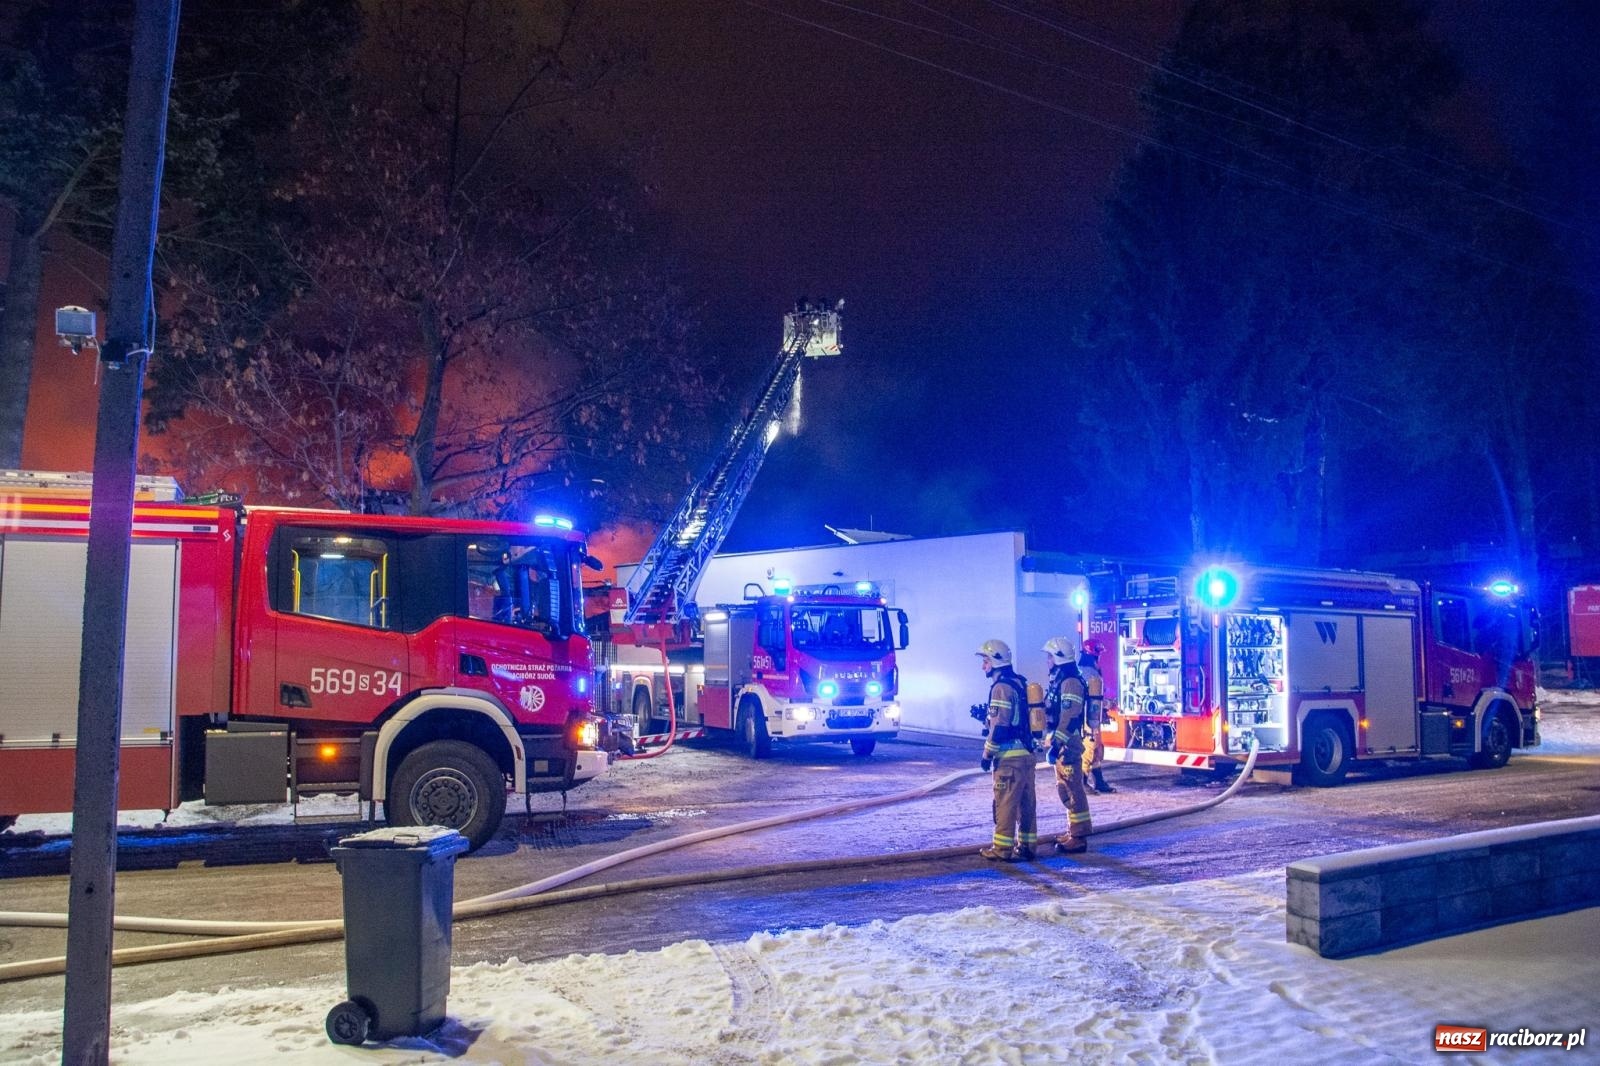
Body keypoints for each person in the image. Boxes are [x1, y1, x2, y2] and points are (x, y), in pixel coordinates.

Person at [975, 639, 1038, 862]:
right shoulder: (1020, 682)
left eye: (985, 661)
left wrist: (987, 754)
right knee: (1027, 804)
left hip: (1009, 759)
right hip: (1027, 755)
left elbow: (1000, 726)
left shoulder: (1000, 688)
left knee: (1005, 804)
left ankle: (1002, 849)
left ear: (995, 662)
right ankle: (1028, 846)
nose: (983, 666)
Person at [1042, 637, 1092, 854]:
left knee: (1073, 789)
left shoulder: (1070, 682)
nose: (1047, 661)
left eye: (1049, 656)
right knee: (1065, 787)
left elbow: (1070, 717)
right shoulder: (1061, 679)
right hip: (1063, 740)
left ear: (1059, 658)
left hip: (1068, 742)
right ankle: (1073, 831)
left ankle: (1079, 837)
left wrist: (1057, 743)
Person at [1080, 639, 1116, 794]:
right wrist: (1108, 703)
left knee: (1096, 750)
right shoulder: (1089, 672)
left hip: (1093, 716)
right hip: (1088, 717)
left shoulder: (1087, 669)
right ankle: (1082, 782)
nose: (1100, 656)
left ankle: (1099, 781)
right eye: (1098, 653)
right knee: (1089, 749)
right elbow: (1093, 697)